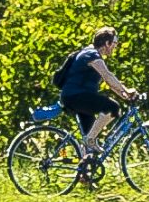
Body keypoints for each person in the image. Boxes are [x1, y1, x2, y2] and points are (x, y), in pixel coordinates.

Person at [52, 26, 142, 155]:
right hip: (76, 97)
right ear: (107, 43)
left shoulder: (90, 53)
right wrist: (127, 91)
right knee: (113, 108)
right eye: (114, 43)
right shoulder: (92, 55)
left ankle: (84, 171)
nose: (115, 47)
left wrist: (126, 96)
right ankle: (90, 140)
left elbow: (111, 84)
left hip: (75, 97)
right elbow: (108, 76)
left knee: (90, 146)